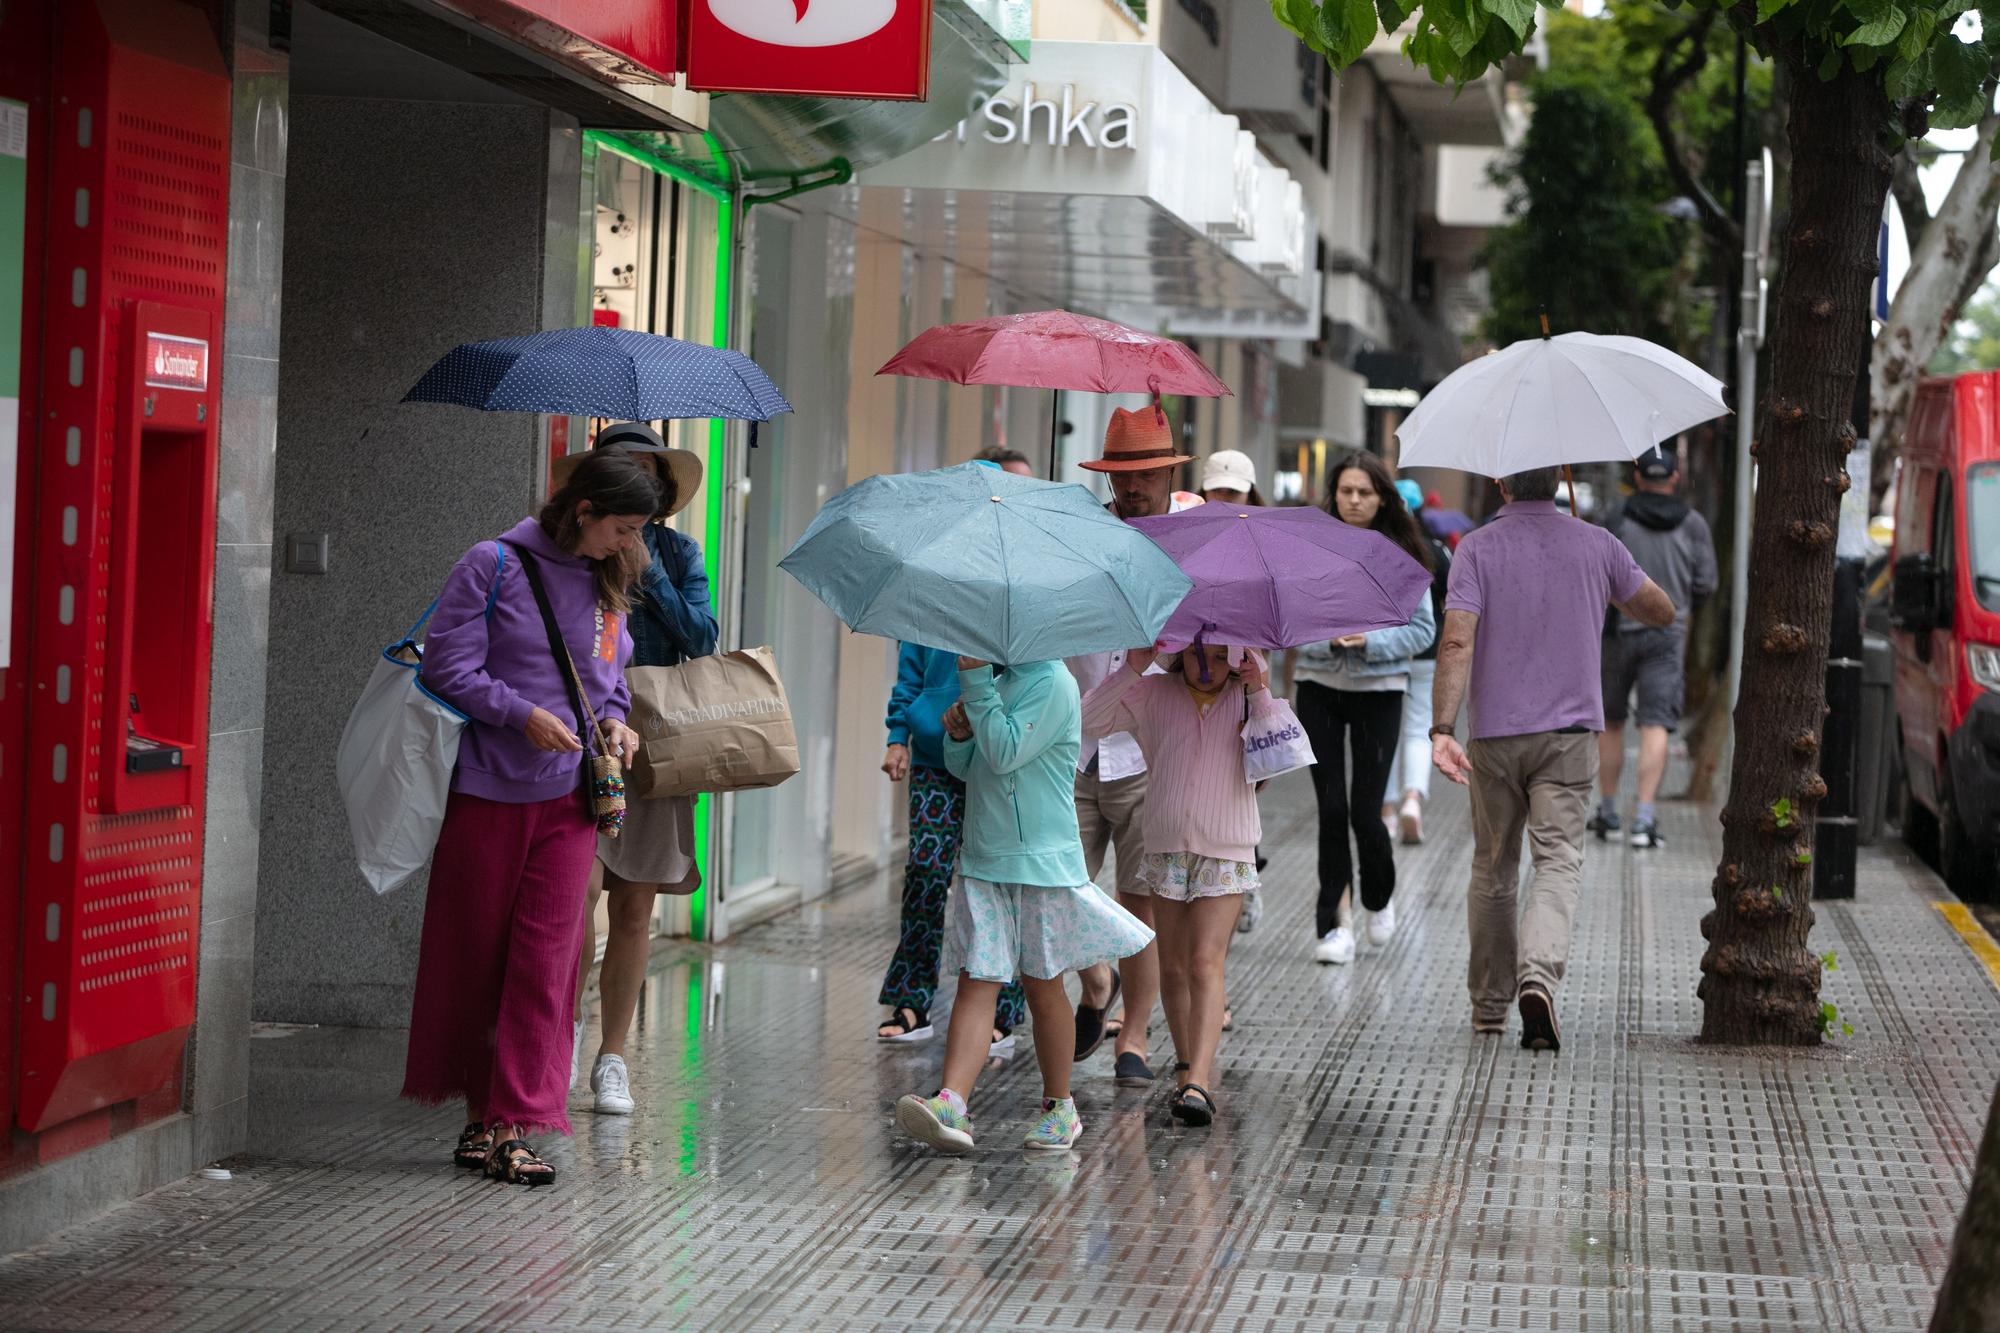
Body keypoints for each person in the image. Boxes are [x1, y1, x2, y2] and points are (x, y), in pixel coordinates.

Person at [404, 451, 658, 1186]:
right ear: (582, 509)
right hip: (489, 789)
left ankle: (516, 1122)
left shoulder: (611, 585)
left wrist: (617, 724)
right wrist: (521, 716)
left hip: (572, 799)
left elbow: (608, 684)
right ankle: (480, 1118)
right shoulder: (493, 564)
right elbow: (445, 667)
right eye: (622, 525)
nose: (629, 541)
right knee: (479, 954)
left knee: (549, 962)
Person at [1430, 466, 1674, 1051]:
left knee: (1493, 866)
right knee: (1558, 860)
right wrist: (1605, 582)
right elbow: (1661, 610)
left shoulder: (1476, 550)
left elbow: (1457, 639)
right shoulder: (1599, 545)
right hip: (1569, 735)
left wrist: (1442, 727)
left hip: (1494, 734)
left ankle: (1490, 1006)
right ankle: (1537, 976)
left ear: (1501, 486)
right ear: (1557, 482)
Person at [894, 657, 1154, 1154]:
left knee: (1042, 984)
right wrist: (958, 735)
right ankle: (952, 1103)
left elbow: (1008, 750)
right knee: (977, 978)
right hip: (985, 858)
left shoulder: (1055, 682)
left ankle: (1060, 1107)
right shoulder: (996, 683)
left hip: (1040, 864)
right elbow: (970, 766)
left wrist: (975, 693)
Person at [566, 424, 718, 1117]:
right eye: (620, 470)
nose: (636, 484)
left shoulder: (677, 552)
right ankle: (561, 1034)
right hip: (580, 733)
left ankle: (612, 1056)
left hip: (654, 738)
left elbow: (701, 636)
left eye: (646, 474)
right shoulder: (573, 551)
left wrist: (648, 568)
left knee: (634, 904)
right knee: (576, 896)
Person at [1081, 642, 1270, 1127]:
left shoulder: (1246, 696)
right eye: (1197, 653)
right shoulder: (1153, 694)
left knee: (1206, 962)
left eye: (1221, 655)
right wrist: (1137, 667)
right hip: (1164, 844)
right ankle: (1188, 1066)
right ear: (1181, 650)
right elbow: (1089, 719)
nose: (1208, 665)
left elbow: (1280, 756)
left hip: (1225, 846)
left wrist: (1262, 692)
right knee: (1175, 966)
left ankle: (1199, 1081)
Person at [1067, 406, 1200, 1088]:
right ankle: (1096, 981)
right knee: (1054, 886)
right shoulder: (1083, 533)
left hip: (1152, 752)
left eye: (1145, 473)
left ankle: (1136, 1037)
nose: (1133, 487)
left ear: (1167, 472)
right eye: (1121, 475)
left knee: (1139, 901)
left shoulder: (1196, 533)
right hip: (1081, 740)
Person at [1292, 453, 1435, 965]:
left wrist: (1369, 642)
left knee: (1365, 811)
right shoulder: (1310, 549)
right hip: (1319, 688)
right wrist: (1329, 641)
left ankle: (1379, 893)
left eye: (1365, 493)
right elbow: (1287, 622)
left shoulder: (1401, 554)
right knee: (1331, 810)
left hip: (1380, 692)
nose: (1354, 501)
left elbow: (1423, 631)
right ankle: (1334, 924)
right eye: (1346, 491)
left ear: (1382, 500)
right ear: (1333, 495)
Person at [877, 638, 1028, 1052]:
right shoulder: (928, 603)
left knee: (996, 886)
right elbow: (909, 677)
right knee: (925, 873)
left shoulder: (1009, 600)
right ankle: (912, 998)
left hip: (996, 762)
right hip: (934, 757)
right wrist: (897, 736)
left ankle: (1001, 1007)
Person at [1592, 445, 1718, 850]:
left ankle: (1608, 811)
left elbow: (1596, 570)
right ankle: (1644, 819)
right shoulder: (1694, 524)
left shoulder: (1616, 517)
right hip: (1668, 635)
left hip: (1617, 633)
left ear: (1638, 477)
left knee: (1611, 722)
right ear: (1675, 479)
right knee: (1655, 724)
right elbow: (1706, 584)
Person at [1199, 450, 1268, 933]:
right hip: (1190, 682)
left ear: (1250, 494)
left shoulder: (1265, 546)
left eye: (1234, 492)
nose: (1224, 500)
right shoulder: (1189, 537)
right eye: (1217, 490)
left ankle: (1243, 879)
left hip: (1242, 688)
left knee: (1239, 790)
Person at [1381, 478, 1452, 846]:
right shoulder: (1436, 551)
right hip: (1426, 650)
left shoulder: (1380, 549)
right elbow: (1450, 602)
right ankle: (1413, 798)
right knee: (1419, 727)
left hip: (1386, 651)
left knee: (1388, 731)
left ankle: (1388, 812)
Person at [1200, 449, 1266, 508]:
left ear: (1250, 495)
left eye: (1233, 491)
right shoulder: (1190, 519)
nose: (1223, 498)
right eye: (1216, 490)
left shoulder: (1266, 520)